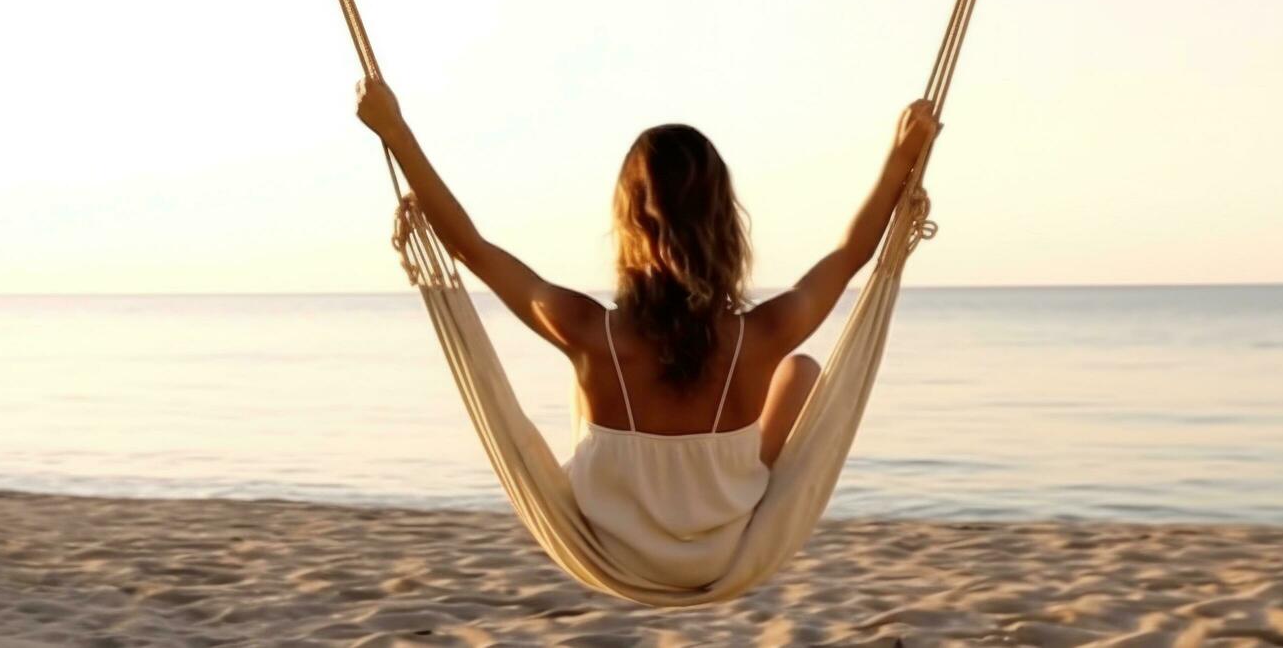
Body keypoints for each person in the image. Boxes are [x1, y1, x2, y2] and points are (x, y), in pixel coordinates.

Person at [356, 79, 938, 585]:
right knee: (801, 371)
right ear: (722, 225)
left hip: (610, 550)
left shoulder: (585, 330)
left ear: (630, 225)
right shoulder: (762, 335)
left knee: (583, 394)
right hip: (722, 553)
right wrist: (901, 156)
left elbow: (473, 249)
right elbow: (853, 252)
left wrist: (396, 132)